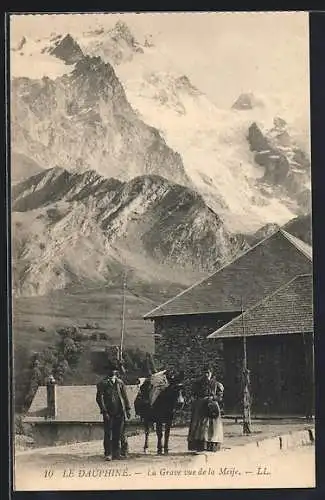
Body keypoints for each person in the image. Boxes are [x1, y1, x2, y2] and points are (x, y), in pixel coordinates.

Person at [96, 364, 131, 460]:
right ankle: (108, 453)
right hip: (109, 412)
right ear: (107, 371)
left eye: (114, 370)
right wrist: (104, 411)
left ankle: (117, 453)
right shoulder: (102, 383)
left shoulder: (120, 383)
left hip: (120, 411)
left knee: (118, 432)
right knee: (108, 433)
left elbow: (125, 396)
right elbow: (99, 398)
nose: (112, 372)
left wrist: (127, 409)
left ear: (116, 371)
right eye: (110, 370)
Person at [187, 365, 224, 452]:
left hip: (212, 406)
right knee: (200, 425)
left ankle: (212, 445)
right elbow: (193, 395)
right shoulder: (198, 383)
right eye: (205, 372)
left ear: (211, 373)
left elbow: (220, 397)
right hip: (200, 406)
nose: (206, 375)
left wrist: (213, 398)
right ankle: (200, 445)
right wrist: (196, 401)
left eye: (208, 372)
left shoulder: (216, 384)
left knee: (212, 426)